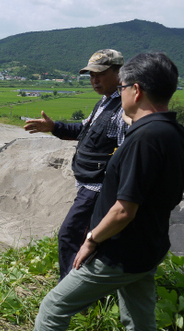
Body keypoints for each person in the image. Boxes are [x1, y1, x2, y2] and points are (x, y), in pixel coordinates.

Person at [33, 52, 184, 330]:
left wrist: (91, 239)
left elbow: (124, 209)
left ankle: (79, 292)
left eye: (123, 86)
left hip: (120, 251)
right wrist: (55, 128)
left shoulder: (144, 138)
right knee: (139, 320)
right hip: (148, 246)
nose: (119, 91)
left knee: (53, 308)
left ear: (135, 90)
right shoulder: (172, 132)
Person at [24, 49, 129, 281]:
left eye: (100, 74)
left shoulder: (123, 109)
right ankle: (89, 289)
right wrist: (54, 127)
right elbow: (83, 130)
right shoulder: (104, 103)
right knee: (86, 238)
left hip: (98, 188)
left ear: (119, 72)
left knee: (69, 235)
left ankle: (70, 293)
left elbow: (125, 153)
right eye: (91, 75)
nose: (94, 80)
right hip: (87, 183)